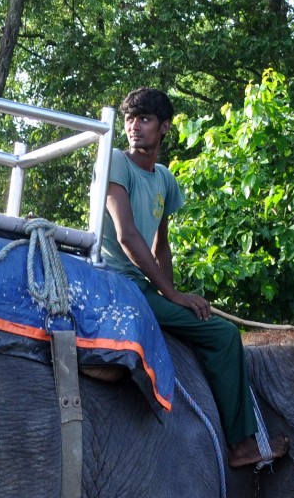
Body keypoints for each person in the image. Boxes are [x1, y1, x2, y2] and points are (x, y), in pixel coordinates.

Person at [98, 87, 266, 468]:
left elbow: (162, 246)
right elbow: (126, 236)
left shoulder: (164, 179)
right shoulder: (116, 162)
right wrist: (172, 294)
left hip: (144, 285)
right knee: (224, 336)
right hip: (115, 282)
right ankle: (241, 445)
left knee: (206, 322)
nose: (134, 127)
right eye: (130, 119)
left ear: (164, 128)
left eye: (144, 119)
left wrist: (176, 291)